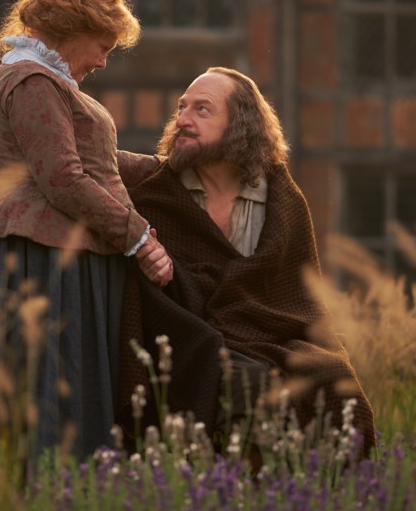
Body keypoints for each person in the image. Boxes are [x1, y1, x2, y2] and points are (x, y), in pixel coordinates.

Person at [0, 0, 173, 464]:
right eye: (102, 46)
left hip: (55, 252)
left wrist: (171, 171)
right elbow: (63, 178)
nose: (103, 61)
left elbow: (96, 162)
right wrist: (141, 240)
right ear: (72, 28)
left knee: (63, 392)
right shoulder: (29, 79)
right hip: (38, 258)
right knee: (46, 396)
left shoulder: (48, 81)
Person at [117, 67, 376, 455]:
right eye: (181, 108)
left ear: (239, 124)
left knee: (335, 380)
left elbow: (296, 294)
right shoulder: (157, 198)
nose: (183, 119)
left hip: (273, 332)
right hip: (191, 336)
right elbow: (150, 299)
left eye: (202, 110)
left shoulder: (281, 200)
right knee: (249, 381)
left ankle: (322, 490)